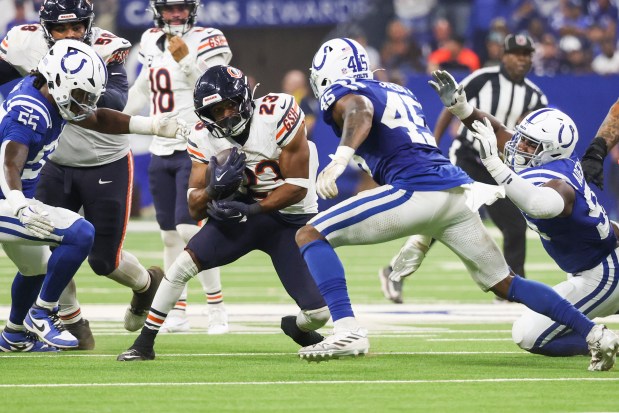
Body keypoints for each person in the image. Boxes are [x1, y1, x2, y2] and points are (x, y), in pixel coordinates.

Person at [294, 38, 618, 372]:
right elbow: (438, 146)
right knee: (507, 283)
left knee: (310, 234)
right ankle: (594, 333)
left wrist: (340, 159)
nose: (521, 144)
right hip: (453, 192)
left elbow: (359, 109)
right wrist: (422, 237)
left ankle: (347, 330)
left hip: (420, 189)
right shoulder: (399, 92)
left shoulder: (350, 92)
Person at [116, 65, 330, 361]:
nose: (226, 116)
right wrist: (213, 191)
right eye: (216, 111)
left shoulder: (277, 112)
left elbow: (297, 187)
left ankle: (297, 328)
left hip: (289, 221)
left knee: (318, 314)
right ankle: (144, 343)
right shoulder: (203, 136)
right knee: (180, 266)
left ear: (244, 98)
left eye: (229, 105)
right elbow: (194, 205)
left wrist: (251, 207)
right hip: (241, 216)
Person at [0, 0, 165, 350]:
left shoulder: (67, 89)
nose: (70, 34)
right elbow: (9, 164)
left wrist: (153, 125)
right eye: (61, 28)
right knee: (72, 236)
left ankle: (16, 333)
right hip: (32, 177)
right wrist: (18, 202)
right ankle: (52, 315)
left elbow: (102, 112)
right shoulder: (31, 107)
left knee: (70, 262)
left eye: (78, 26)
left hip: (101, 161)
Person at [379, 33, 548, 304]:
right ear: (504, 55)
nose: (522, 59)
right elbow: (453, 106)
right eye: (517, 54)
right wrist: (434, 142)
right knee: (443, 215)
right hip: (468, 157)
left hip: (499, 167)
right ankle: (394, 272)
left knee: (515, 225)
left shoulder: (534, 95)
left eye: (527, 54)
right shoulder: (482, 78)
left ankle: (510, 293)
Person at [464, 105, 619, 358]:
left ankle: (609, 341)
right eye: (522, 138)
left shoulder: (558, 181)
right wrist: (462, 109)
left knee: (529, 335)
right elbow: (498, 130)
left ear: (550, 150)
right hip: (597, 263)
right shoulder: (545, 160)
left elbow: (540, 204)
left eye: (529, 143)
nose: (519, 145)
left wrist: (495, 166)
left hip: (604, 270)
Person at [122, 0, 232, 335]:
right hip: (160, 148)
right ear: (158, 11)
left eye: (181, 8)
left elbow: (216, 90)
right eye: (169, 9)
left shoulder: (208, 38)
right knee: (169, 236)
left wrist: (186, 60)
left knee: (189, 230)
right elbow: (142, 89)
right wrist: (111, 120)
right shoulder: (150, 40)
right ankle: (176, 310)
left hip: (193, 145)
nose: (175, 15)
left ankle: (216, 309)